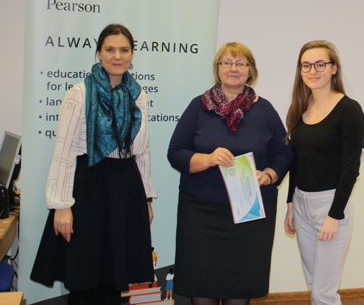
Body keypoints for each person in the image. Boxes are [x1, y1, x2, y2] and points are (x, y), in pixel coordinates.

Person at [30, 24, 157, 305]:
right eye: (110, 49)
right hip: (89, 188)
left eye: (124, 50)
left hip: (126, 189)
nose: (117, 56)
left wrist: (146, 198)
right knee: (84, 277)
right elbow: (63, 151)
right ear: (99, 53)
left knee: (115, 277)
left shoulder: (138, 95)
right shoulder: (79, 93)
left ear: (132, 55)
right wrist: (62, 206)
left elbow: (143, 151)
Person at [167, 42, 293, 305]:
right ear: (217, 69)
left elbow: (284, 153)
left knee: (240, 285)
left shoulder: (265, 110)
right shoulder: (198, 106)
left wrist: (269, 175)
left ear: (250, 70)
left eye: (240, 63)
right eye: (226, 62)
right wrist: (208, 159)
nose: (233, 68)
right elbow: (176, 152)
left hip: (249, 213)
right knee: (201, 284)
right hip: (200, 212)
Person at [284, 40, 364, 305]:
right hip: (301, 204)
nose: (313, 71)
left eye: (320, 64)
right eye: (306, 65)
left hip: (330, 206)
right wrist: (290, 204)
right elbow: (296, 161)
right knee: (314, 285)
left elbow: (351, 167)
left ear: (334, 68)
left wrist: (334, 214)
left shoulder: (349, 110)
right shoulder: (299, 108)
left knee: (323, 293)